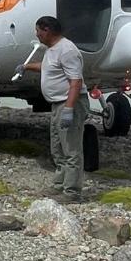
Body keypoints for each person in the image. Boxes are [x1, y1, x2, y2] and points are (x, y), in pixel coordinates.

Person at [19, 15, 87, 203]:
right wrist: (26, 67)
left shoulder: (67, 50)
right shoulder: (52, 50)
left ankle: (72, 192)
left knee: (71, 148)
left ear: (47, 30)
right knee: (57, 147)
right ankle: (59, 185)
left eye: (38, 31)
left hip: (69, 102)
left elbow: (75, 81)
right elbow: (47, 67)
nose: (37, 34)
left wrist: (69, 109)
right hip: (57, 103)